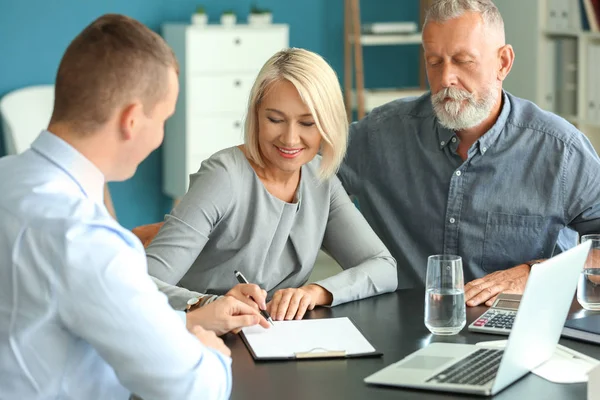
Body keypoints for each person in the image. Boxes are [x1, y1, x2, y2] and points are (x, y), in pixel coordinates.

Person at [0, 14, 269, 400]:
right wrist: (205, 351)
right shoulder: (89, 240)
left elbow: (74, 310)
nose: (160, 136)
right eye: (163, 120)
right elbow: (193, 389)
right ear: (131, 120)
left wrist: (186, 319)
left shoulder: (7, 179)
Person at [338, 0, 600, 307]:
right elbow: (300, 186)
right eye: (435, 62)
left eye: (463, 61)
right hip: (404, 334)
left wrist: (534, 273)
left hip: (513, 334)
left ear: (503, 62)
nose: (446, 78)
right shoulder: (378, 135)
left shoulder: (561, 151)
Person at [145, 48, 398, 321]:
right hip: (198, 337)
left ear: (327, 124)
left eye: (307, 123)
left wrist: (315, 291)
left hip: (270, 341)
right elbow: (141, 284)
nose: (290, 139)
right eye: (275, 120)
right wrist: (206, 304)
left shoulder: (320, 180)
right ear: (256, 116)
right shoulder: (223, 176)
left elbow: (384, 267)